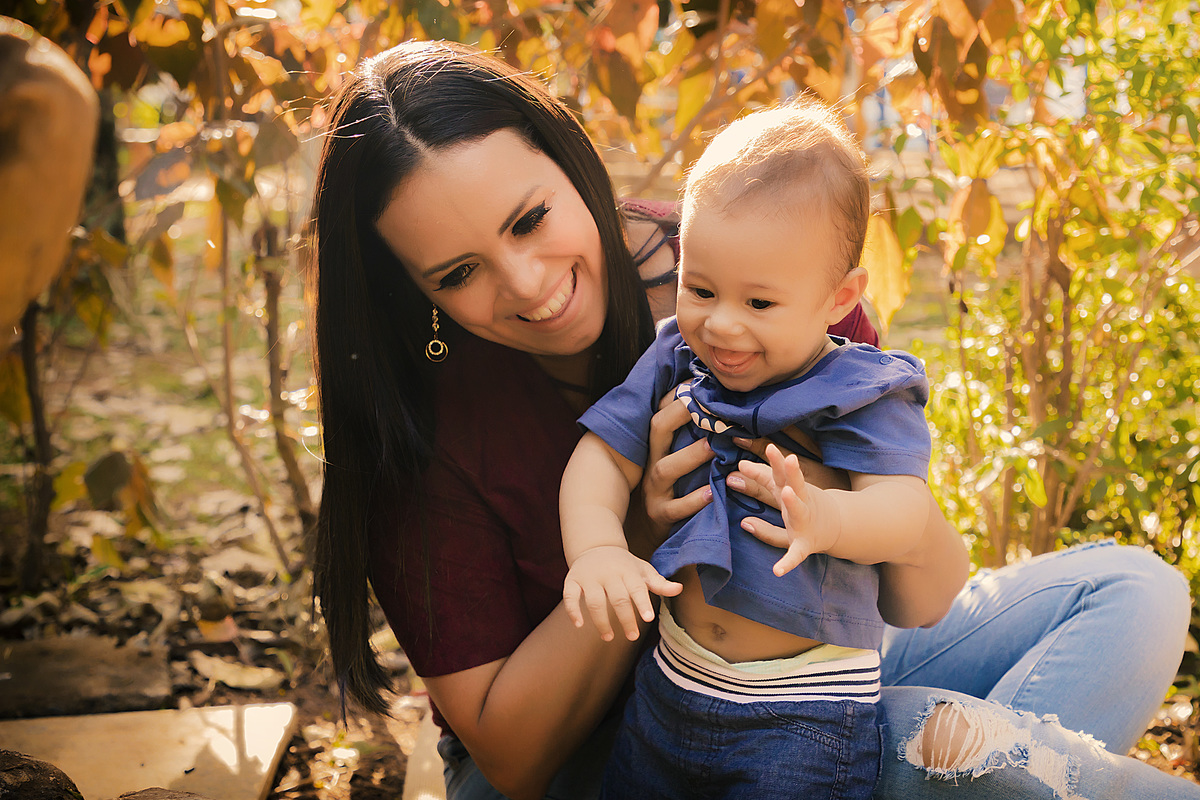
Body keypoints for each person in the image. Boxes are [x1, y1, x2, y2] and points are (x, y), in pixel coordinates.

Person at [307, 38, 1197, 800]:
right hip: (597, 760)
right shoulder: (415, 427)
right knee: (942, 739)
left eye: (531, 220)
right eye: (457, 274)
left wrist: (862, 519)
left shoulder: (756, 257)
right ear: (411, 290)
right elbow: (514, 755)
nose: (528, 283)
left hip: (802, 691)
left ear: (569, 160)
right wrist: (639, 532)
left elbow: (915, 602)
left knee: (1133, 592)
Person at [559, 101, 939, 799]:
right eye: (701, 288)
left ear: (838, 297)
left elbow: (905, 510)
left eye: (760, 304)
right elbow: (600, 456)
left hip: (803, 716)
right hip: (669, 686)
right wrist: (598, 550)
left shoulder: (857, 388)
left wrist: (830, 520)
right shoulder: (675, 355)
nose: (722, 323)